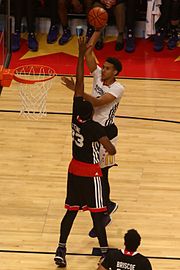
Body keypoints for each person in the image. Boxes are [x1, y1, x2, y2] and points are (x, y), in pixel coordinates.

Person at [54, 36, 116, 268]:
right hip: (90, 173)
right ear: (92, 112)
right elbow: (111, 149)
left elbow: (79, 85)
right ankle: (103, 252)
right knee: (97, 213)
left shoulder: (76, 117)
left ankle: (61, 248)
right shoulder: (95, 127)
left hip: (73, 169)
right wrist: (108, 138)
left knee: (70, 212)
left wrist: (80, 55)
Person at [62, 29, 125, 238]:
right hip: (92, 130)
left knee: (102, 173)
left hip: (106, 132)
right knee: (96, 171)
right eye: (103, 67)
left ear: (115, 72)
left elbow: (97, 102)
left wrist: (77, 90)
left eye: (107, 68)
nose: (102, 70)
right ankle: (103, 204)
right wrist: (97, 30)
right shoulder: (98, 75)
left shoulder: (118, 88)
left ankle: (105, 209)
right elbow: (88, 53)